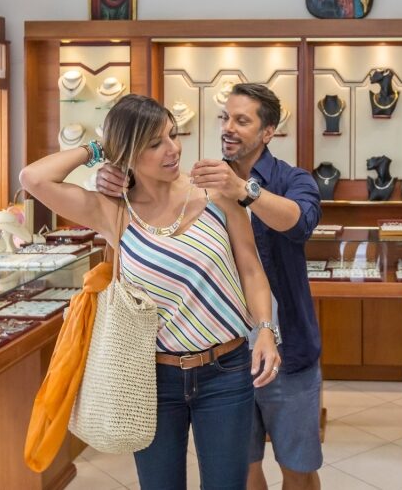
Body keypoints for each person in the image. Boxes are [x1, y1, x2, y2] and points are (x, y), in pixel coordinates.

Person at [20, 94, 281, 490]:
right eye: (155, 143)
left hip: (225, 371)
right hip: (151, 377)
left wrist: (264, 328)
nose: (173, 149)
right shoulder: (113, 211)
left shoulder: (216, 194)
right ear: (126, 152)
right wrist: (97, 148)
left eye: (173, 136)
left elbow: (250, 268)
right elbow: (33, 179)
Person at [97, 84, 324, 490]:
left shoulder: (290, 179)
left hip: (284, 349)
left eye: (242, 120)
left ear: (268, 131)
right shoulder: (202, 184)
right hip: (221, 354)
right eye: (225, 118)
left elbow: (299, 222)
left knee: (297, 467)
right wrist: (112, 166)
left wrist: (246, 192)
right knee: (244, 469)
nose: (228, 128)